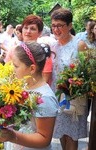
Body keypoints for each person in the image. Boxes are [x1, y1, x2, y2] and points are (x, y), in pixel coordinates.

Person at [0, 42, 59, 150]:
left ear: (32, 69)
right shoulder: (23, 86)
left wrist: (13, 136)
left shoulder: (45, 98)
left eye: (16, 66)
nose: (12, 69)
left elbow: (44, 139)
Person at [50, 8, 88, 150]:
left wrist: (76, 84)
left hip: (73, 97)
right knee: (61, 133)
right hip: (56, 95)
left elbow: (87, 72)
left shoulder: (79, 45)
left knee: (72, 135)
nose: (56, 29)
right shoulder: (53, 45)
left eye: (60, 25)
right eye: (54, 25)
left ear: (70, 26)